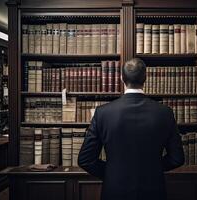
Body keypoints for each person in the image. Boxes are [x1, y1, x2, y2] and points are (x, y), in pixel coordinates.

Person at [78, 58, 184, 200]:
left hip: (115, 191)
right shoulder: (165, 112)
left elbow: (85, 160)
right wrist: (153, 170)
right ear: (145, 78)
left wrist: (112, 173)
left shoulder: (103, 113)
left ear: (122, 78)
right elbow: (177, 158)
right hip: (153, 191)